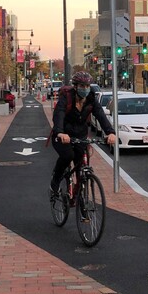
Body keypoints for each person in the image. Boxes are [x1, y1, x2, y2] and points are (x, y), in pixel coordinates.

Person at [50, 71, 117, 220]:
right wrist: (60, 132)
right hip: (62, 136)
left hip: (80, 135)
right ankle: (55, 181)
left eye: (87, 85)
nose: (85, 88)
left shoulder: (92, 98)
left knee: (82, 168)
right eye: (82, 86)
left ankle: (80, 197)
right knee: (68, 155)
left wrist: (110, 132)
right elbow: (59, 114)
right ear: (75, 86)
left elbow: (100, 115)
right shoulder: (66, 98)